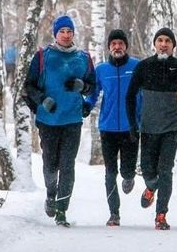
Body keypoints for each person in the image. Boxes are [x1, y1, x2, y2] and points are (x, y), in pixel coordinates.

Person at [22, 14, 96, 227]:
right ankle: (51, 193)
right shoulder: (43, 56)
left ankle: (62, 210)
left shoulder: (83, 58)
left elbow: (93, 87)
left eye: (69, 31)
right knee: (50, 164)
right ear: (55, 34)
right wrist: (42, 100)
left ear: (74, 34)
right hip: (48, 120)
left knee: (68, 165)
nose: (66, 35)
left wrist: (82, 87)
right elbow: (28, 86)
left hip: (72, 119)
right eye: (62, 31)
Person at [126, 26, 177, 230]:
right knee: (148, 171)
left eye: (168, 41)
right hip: (148, 127)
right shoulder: (144, 67)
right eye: (160, 40)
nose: (164, 44)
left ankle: (161, 215)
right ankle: (150, 187)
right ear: (155, 44)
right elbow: (130, 96)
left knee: (165, 171)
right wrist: (132, 124)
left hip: (170, 127)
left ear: (173, 45)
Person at [86, 28, 141, 227]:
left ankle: (129, 176)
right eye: (113, 44)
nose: (117, 47)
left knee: (126, 172)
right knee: (110, 172)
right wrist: (86, 105)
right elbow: (93, 93)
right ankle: (114, 213)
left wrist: (142, 118)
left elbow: (144, 93)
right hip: (107, 127)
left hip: (131, 127)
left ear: (126, 46)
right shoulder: (101, 70)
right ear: (109, 47)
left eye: (120, 44)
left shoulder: (136, 66)